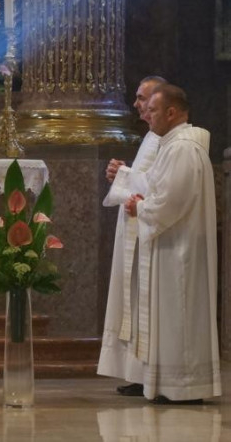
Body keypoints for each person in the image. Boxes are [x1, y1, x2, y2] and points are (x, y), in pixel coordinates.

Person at [123, 84, 221, 404]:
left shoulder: (183, 148)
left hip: (180, 251)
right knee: (171, 316)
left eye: (152, 111)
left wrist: (141, 207)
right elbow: (158, 187)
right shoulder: (172, 146)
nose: (147, 116)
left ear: (171, 112)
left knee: (179, 312)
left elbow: (171, 201)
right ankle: (171, 385)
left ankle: (184, 386)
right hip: (170, 245)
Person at [97, 76, 166, 395]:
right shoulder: (151, 136)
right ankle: (138, 374)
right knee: (134, 305)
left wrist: (124, 175)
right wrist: (123, 172)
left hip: (150, 230)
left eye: (143, 98)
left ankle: (146, 376)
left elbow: (158, 187)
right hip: (136, 226)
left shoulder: (168, 139)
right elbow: (145, 178)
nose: (137, 104)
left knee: (143, 306)